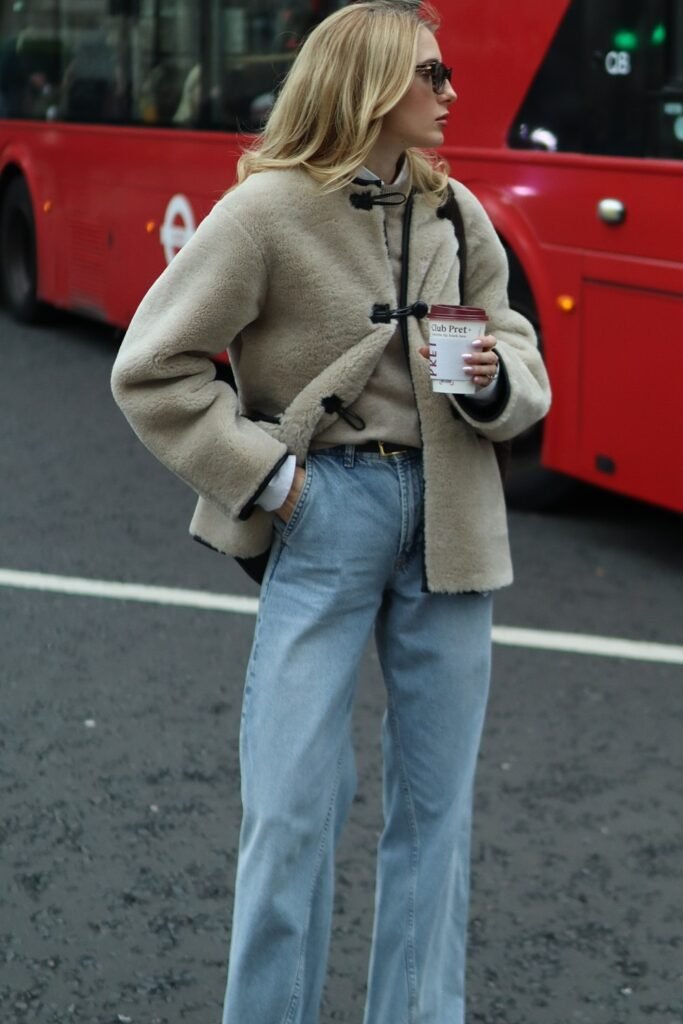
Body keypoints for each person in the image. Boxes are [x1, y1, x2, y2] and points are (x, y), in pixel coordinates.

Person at [111, 3, 551, 1022]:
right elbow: (153, 367)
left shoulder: (459, 214)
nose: (450, 94)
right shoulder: (267, 213)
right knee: (290, 809)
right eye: (430, 76)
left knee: (436, 815)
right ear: (368, 83)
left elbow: (519, 351)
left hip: (452, 517)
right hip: (326, 509)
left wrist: (494, 380)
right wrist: (274, 483)